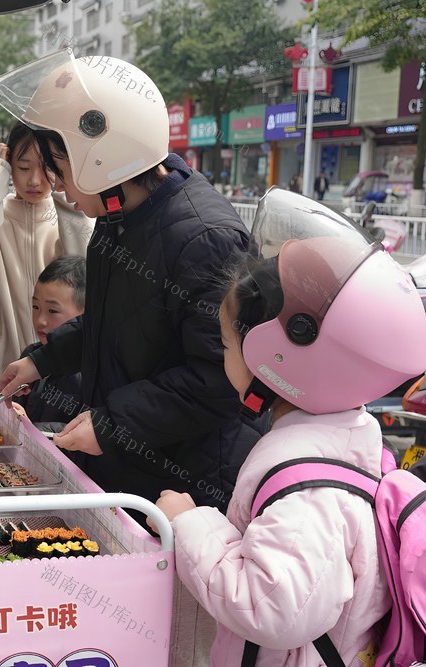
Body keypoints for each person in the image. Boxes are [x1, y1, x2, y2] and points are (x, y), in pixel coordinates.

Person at [153, 188, 426, 666]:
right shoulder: (340, 441)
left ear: (275, 356)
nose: (223, 358)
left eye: (227, 343)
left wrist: (189, 523)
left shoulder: (308, 491)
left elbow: (275, 607)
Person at [0, 52, 264, 514]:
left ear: (104, 159)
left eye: (59, 165)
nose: (56, 184)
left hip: (183, 479)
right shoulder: (120, 216)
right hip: (131, 460)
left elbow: (219, 379)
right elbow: (112, 321)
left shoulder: (204, 238)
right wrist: (43, 360)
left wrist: (113, 423)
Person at [0, 122, 94, 377]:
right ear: (10, 166)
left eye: (47, 167)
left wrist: (66, 184)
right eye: (24, 167)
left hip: (60, 366)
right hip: (1, 366)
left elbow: (84, 265)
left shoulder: (69, 216)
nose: (34, 180)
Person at [14, 255, 85, 430]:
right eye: (35, 307)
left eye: (53, 310)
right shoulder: (31, 355)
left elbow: (83, 431)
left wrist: (31, 429)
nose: (41, 321)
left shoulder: (87, 373)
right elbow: (18, 402)